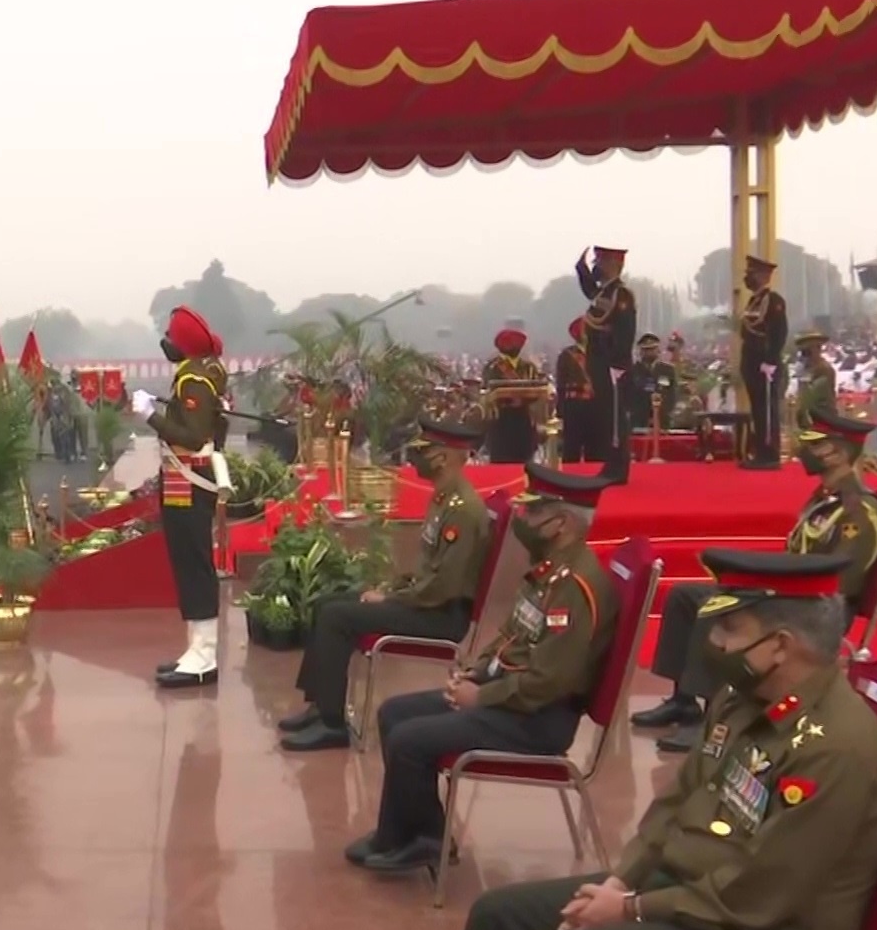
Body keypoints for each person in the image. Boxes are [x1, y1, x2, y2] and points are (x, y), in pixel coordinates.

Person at [458, 549, 877, 930]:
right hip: (686, 894)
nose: (716, 643)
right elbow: (678, 799)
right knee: (497, 916)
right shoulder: (742, 698)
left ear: (781, 646)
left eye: (730, 628)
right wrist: (621, 880)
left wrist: (631, 909)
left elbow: (757, 893)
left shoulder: (837, 749)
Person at [347, 462, 619, 873]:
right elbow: (513, 632)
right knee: (393, 713)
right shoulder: (549, 570)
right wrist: (477, 670)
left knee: (409, 739)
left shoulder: (575, 587)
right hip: (514, 695)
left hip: (538, 717)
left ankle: (421, 838)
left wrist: (482, 696)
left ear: (560, 523)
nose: (522, 521)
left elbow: (551, 681)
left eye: (532, 513)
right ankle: (409, 833)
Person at [634, 411, 877, 751]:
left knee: (715, 606)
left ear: (838, 454)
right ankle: (684, 700)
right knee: (683, 596)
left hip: (813, 606)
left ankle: (709, 717)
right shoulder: (824, 499)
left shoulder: (858, 510)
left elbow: (842, 579)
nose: (804, 451)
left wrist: (774, 586)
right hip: (787, 592)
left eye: (816, 446)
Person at [277, 419, 494, 750]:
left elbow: (444, 587)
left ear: (444, 457)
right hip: (425, 602)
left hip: (440, 615)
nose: (415, 458)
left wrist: (392, 598)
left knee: (338, 617)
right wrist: (392, 590)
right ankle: (320, 705)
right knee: (326, 604)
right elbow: (429, 573)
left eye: (424, 451)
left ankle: (333, 725)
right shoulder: (444, 500)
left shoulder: (463, 510)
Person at [146, 306, 230, 688]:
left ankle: (205, 655)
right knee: (188, 563)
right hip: (188, 477)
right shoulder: (199, 375)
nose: (166, 341)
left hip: (190, 477)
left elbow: (192, 435)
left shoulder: (194, 379)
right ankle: (196, 649)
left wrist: (150, 416)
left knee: (194, 564)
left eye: (170, 335)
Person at [575, 247, 637, 482]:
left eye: (600, 262)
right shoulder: (604, 293)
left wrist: (619, 362)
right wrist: (580, 270)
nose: (596, 267)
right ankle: (611, 465)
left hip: (613, 365)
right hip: (600, 363)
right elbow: (590, 291)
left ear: (613, 263)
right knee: (606, 416)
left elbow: (625, 331)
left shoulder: (621, 295)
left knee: (615, 419)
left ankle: (617, 469)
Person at [737, 255, 789, 470]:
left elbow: (778, 333)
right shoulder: (754, 301)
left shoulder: (773, 301)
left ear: (763, 275)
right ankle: (760, 451)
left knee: (767, 409)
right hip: (752, 363)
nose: (747, 277)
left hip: (765, 365)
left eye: (751, 273)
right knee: (758, 409)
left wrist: (770, 361)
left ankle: (770, 453)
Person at [482, 329, 542, 464]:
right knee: (501, 460)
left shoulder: (528, 367)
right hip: (502, 418)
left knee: (525, 459)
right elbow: (490, 389)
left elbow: (536, 389)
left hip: (523, 418)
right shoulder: (493, 367)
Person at [552, 318, 595, 464]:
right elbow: (561, 383)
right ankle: (570, 475)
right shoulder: (567, 355)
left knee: (595, 445)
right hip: (574, 404)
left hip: (596, 404)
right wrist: (561, 408)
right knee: (572, 445)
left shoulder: (598, 353)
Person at [622, 333, 678, 434]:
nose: (649, 352)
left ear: (658, 350)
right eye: (646, 349)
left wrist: (660, 413)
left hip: (662, 420)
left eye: (652, 349)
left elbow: (671, 395)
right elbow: (626, 396)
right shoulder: (632, 371)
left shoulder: (668, 370)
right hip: (638, 421)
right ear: (640, 351)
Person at [792, 329, 836, 430]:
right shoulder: (805, 368)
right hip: (807, 417)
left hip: (822, 416)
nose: (806, 354)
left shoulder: (824, 369)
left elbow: (815, 395)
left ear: (818, 349)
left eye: (809, 350)